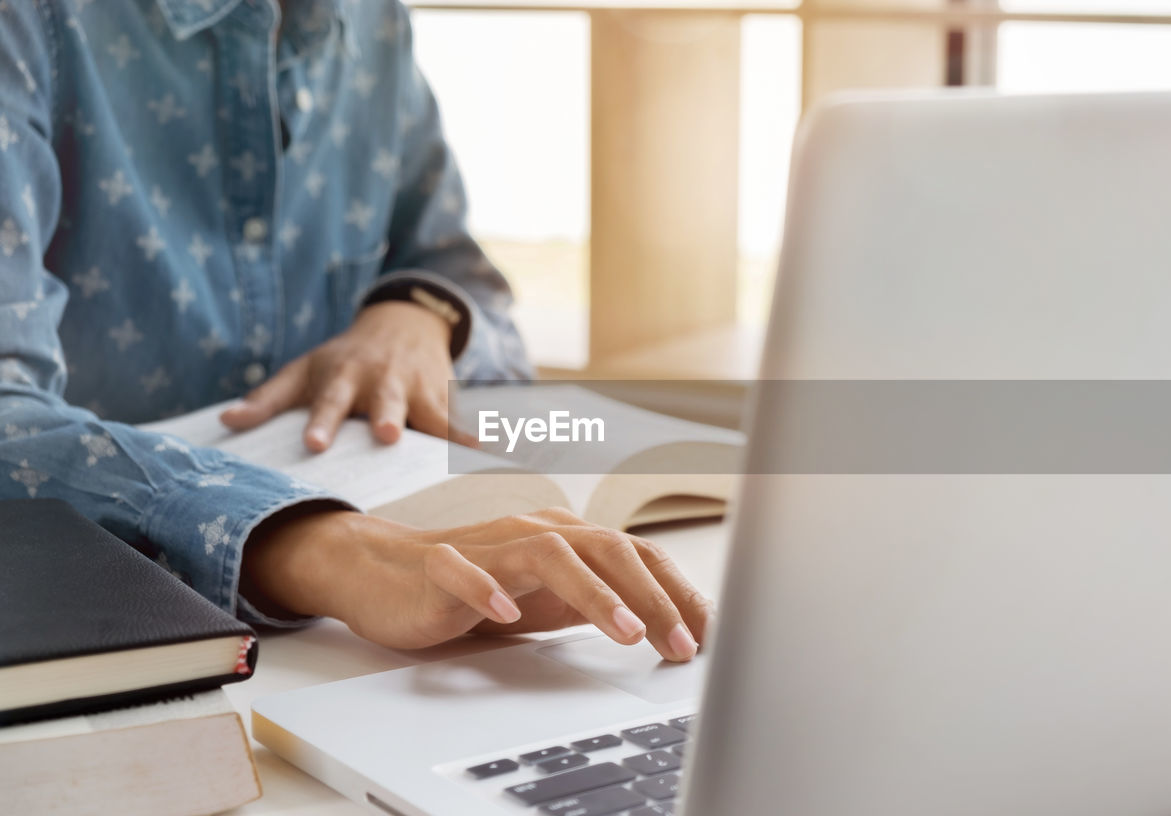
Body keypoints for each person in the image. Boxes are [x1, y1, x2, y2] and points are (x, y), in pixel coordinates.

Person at [0, 0, 711, 661]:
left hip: (340, 652)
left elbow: (468, 285)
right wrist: (327, 550)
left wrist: (415, 314)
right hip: (102, 641)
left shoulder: (373, 23)